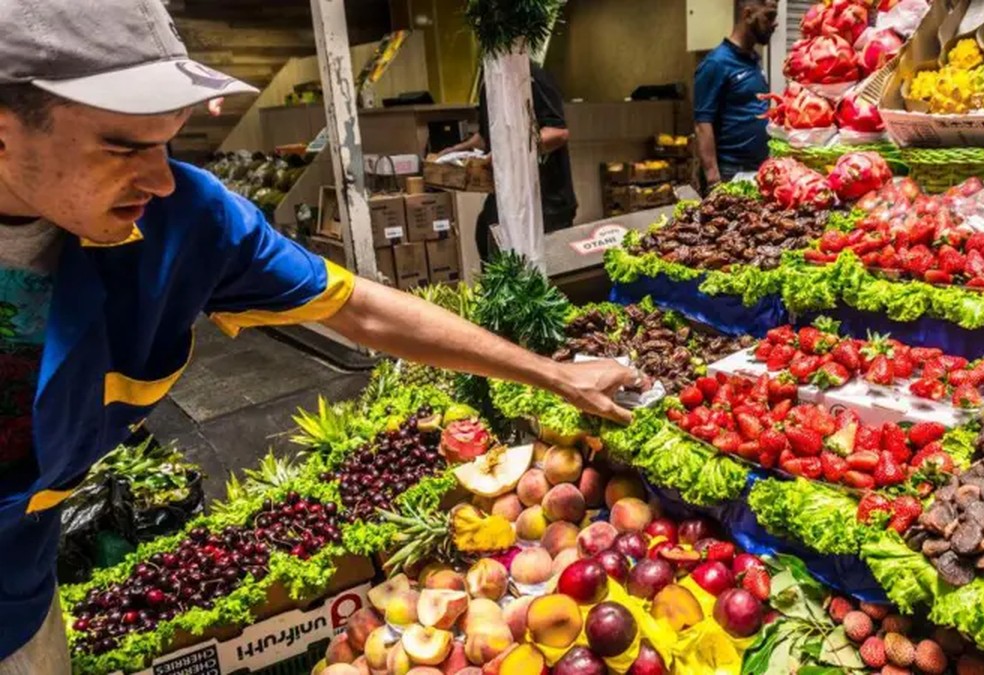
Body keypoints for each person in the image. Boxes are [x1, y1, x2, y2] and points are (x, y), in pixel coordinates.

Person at [0, 0, 636, 671]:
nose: (160, 179)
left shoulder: (186, 220)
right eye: (123, 146)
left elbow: (362, 310)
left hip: (21, 592)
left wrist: (553, 372)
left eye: (168, 141)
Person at [440, 61, 578, 265]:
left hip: (546, 200)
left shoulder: (533, 76)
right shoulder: (490, 82)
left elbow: (557, 133)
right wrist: (457, 151)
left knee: (540, 269)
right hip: (505, 196)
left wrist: (509, 151)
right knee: (487, 239)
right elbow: (487, 135)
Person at [694, 0, 779, 191]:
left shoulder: (753, 60)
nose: (775, 24)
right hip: (729, 172)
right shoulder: (716, 63)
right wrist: (714, 181)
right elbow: (702, 124)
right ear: (747, 15)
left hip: (758, 168)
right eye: (769, 16)